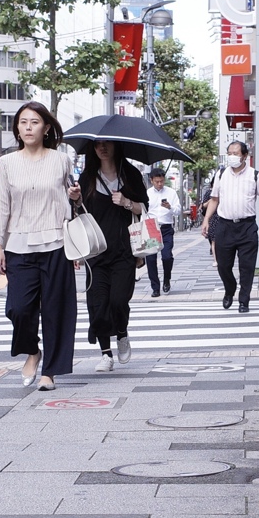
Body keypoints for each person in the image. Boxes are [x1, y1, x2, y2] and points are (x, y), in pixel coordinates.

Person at [0, 101, 82, 392]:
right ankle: (33, 351)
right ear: (17, 129)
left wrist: (76, 197)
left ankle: (49, 372)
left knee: (56, 310)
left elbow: (73, 203)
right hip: (18, 245)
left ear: (45, 128)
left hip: (56, 244)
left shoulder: (60, 160)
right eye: (23, 122)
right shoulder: (6, 163)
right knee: (19, 309)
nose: (28, 127)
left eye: (34, 122)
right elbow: (1, 207)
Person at [76, 140, 149, 372]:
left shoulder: (130, 175)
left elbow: (143, 208)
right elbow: (79, 215)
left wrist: (126, 202)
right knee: (98, 304)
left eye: (107, 144)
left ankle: (122, 332)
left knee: (118, 300)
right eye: (97, 144)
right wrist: (76, 200)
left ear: (117, 146)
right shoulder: (87, 178)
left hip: (123, 251)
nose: (102, 148)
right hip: (95, 252)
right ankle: (106, 354)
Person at [200, 142, 259, 313]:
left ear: (245, 156)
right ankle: (230, 290)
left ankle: (244, 300)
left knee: (247, 267)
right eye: (229, 153)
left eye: (235, 153)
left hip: (247, 227)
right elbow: (214, 199)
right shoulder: (221, 174)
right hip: (224, 226)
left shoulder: (255, 175)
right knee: (223, 265)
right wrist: (206, 220)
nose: (232, 156)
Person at [145, 167, 182, 297]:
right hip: (151, 227)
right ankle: (155, 287)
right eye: (157, 181)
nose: (160, 184)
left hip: (166, 227)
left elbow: (178, 211)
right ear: (152, 180)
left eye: (161, 181)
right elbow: (143, 210)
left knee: (167, 256)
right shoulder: (147, 193)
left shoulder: (171, 193)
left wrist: (170, 207)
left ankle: (167, 279)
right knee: (150, 258)